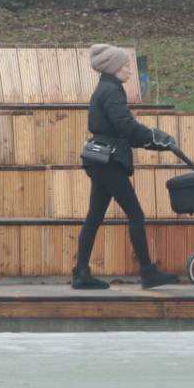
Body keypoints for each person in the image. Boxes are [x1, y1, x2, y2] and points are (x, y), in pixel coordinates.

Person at [72, 44, 180, 290]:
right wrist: (156, 137)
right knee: (135, 214)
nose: (130, 70)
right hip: (108, 162)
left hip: (100, 160)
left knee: (94, 217)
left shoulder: (106, 88)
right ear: (113, 68)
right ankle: (148, 272)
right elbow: (126, 127)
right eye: (126, 65)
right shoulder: (111, 91)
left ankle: (81, 273)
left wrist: (154, 141)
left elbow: (124, 129)